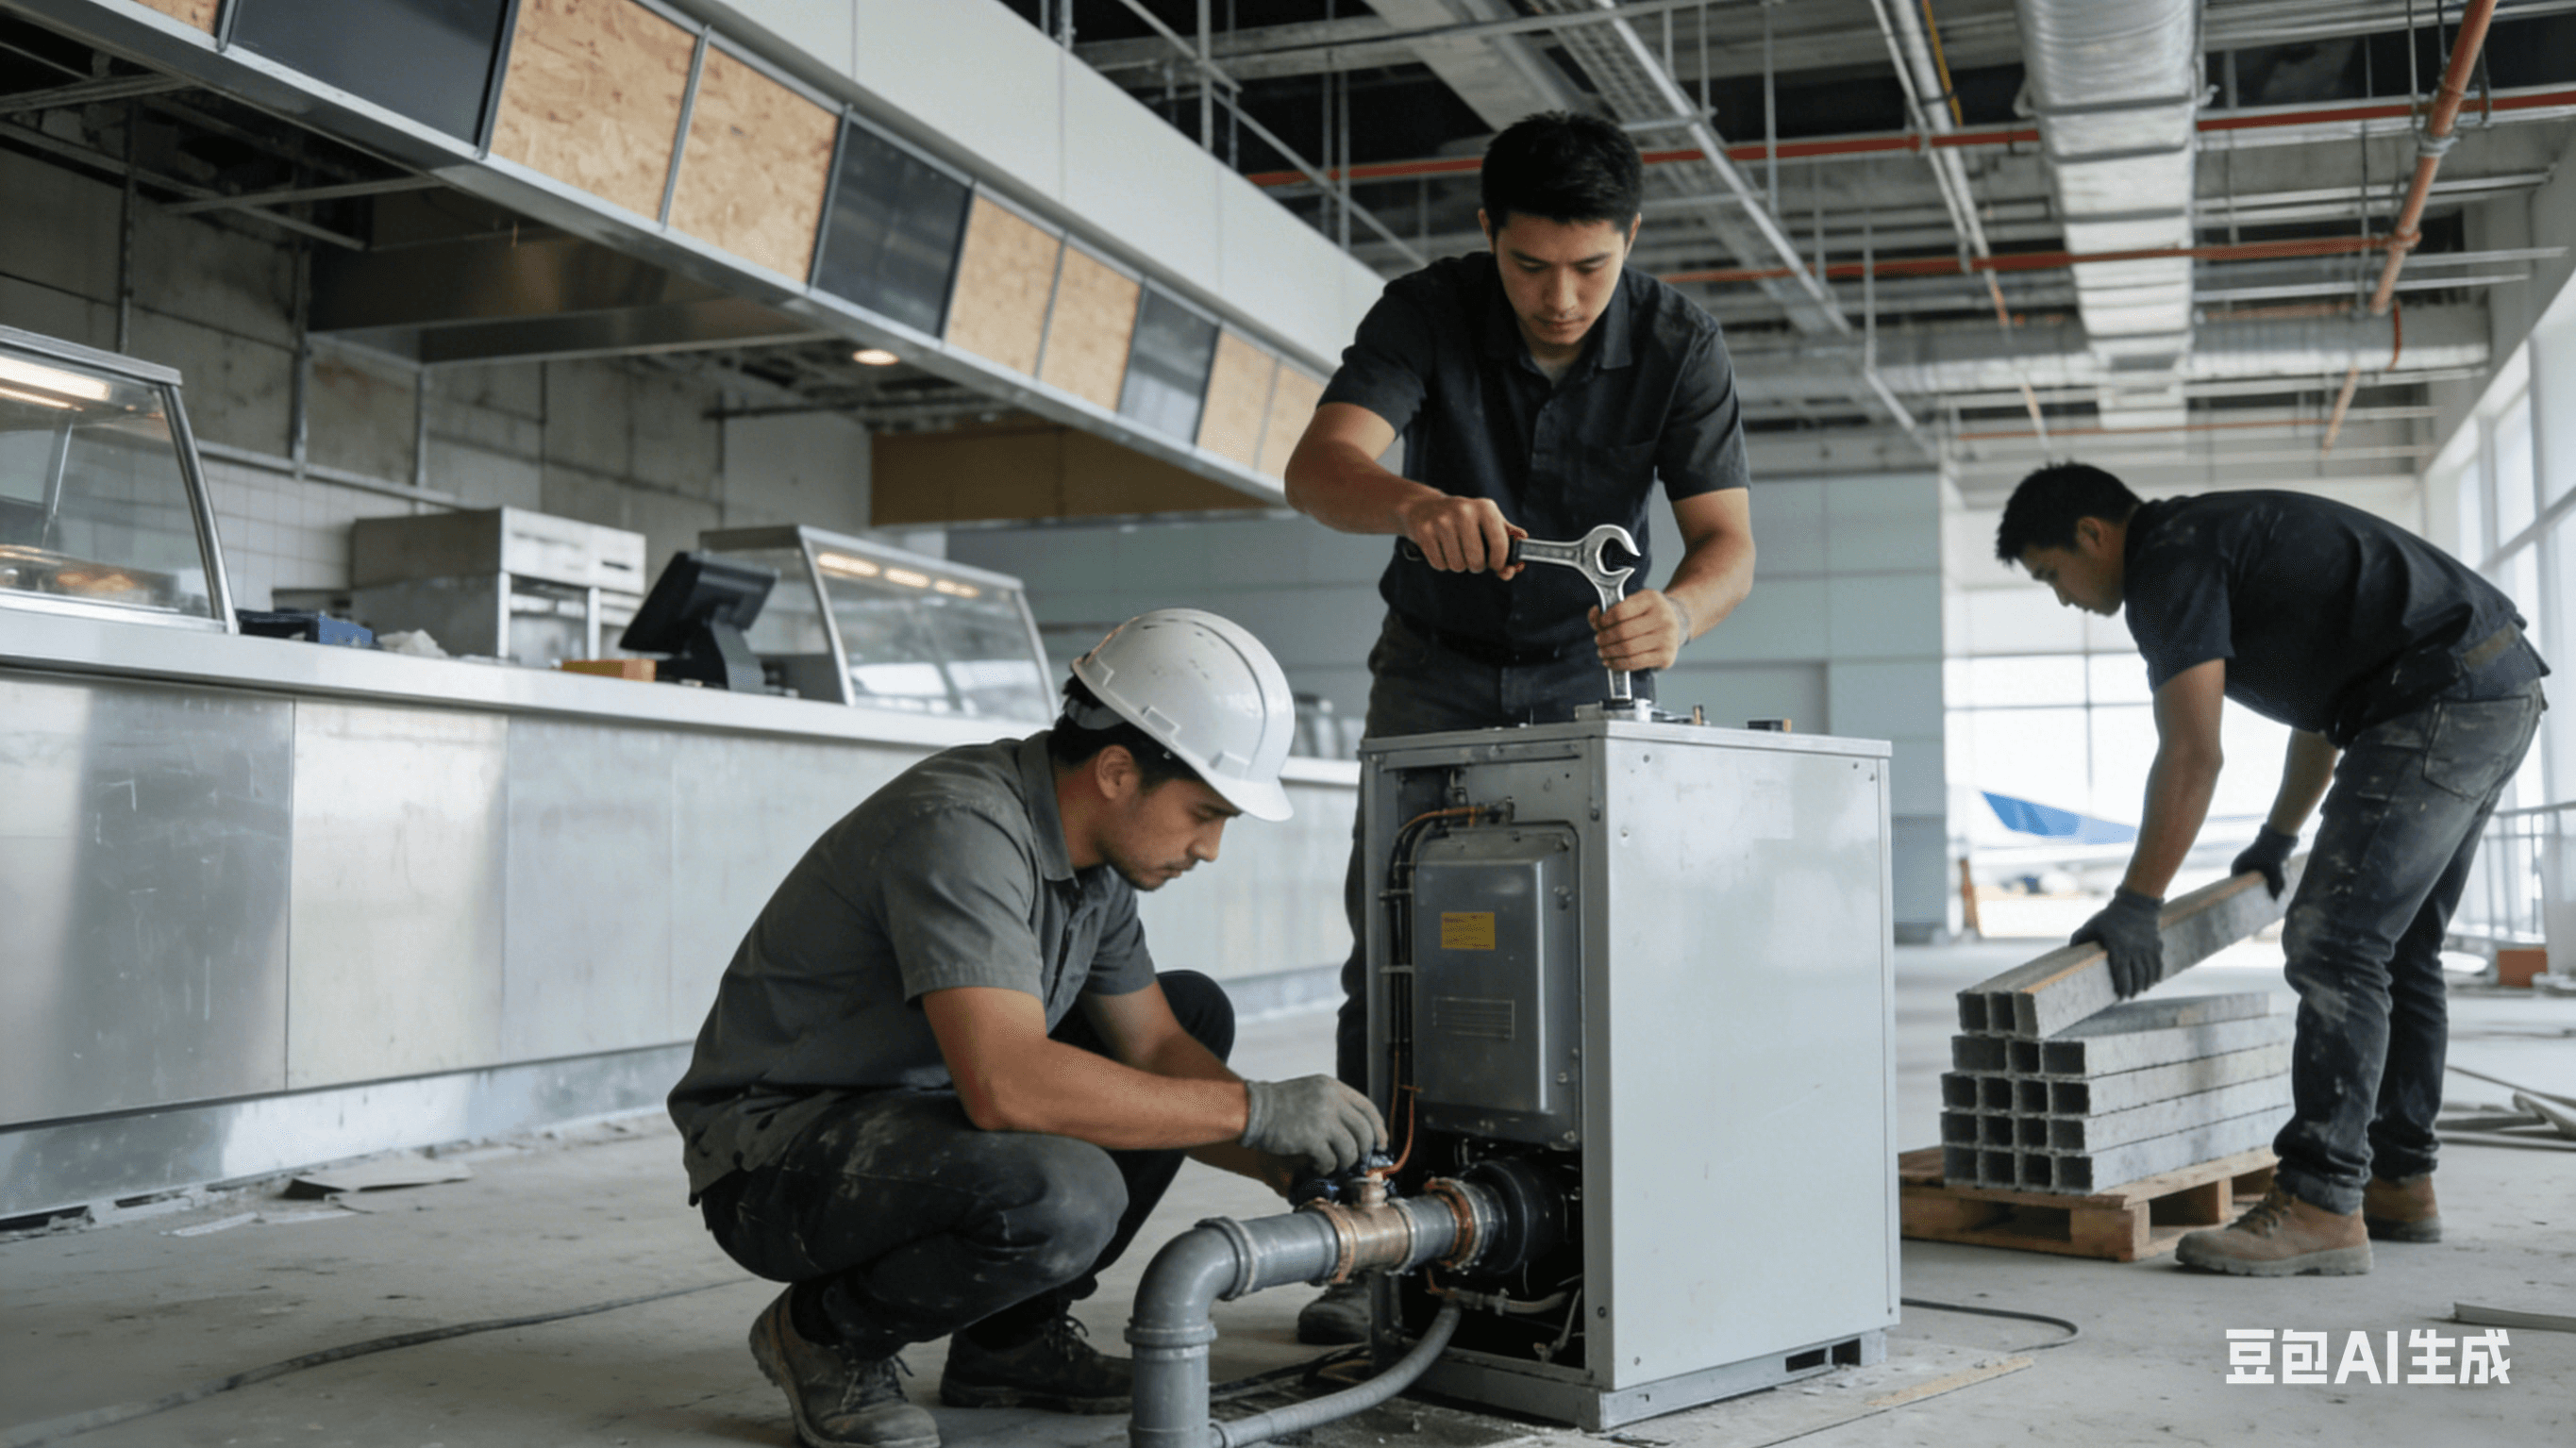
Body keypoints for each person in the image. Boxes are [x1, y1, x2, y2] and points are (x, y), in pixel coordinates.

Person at [668, 609, 1388, 1448]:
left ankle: (1007, 1343)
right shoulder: (964, 829)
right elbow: (1006, 1083)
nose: (1211, 848)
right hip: (777, 1159)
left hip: (918, 1117)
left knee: (1192, 1012)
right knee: (1064, 1190)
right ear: (1118, 770)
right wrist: (1257, 1110)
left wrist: (1280, 1159)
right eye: (1204, 812)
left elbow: (1155, 1045)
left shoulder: (1098, 868)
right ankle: (824, 1334)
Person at [1280, 109, 1757, 1342]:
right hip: (1430, 668)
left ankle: (1589, 1234)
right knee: (1388, 958)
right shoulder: (1423, 311)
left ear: (1629, 242)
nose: (1560, 296)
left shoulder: (1677, 341)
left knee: (1597, 956)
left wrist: (1679, 615)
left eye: (1590, 268)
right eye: (1530, 264)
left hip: (1584, 682)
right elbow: (1318, 467)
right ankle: (1364, 1243)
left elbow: (1725, 546)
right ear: (1487, 234)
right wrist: (1414, 499)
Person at [1998, 463, 2546, 1277]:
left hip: (2437, 695)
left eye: (2053, 575)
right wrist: (2277, 836)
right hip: (2490, 685)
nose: (2065, 599)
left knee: (2334, 944)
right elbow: (2329, 713)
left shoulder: (2169, 564)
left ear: (2092, 533)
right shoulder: (2220, 542)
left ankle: (2322, 1201)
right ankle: (2399, 1179)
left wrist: (2137, 902)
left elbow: (2192, 752)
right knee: (2397, 950)